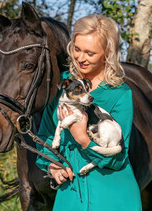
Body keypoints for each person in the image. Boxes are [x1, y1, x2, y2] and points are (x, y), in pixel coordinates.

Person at [35, 14, 142, 210]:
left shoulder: (120, 94)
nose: (81, 58)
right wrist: (52, 164)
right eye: (77, 49)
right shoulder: (62, 85)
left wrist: (83, 138)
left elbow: (118, 159)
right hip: (70, 197)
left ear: (107, 53)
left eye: (90, 53)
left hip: (112, 198)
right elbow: (45, 137)